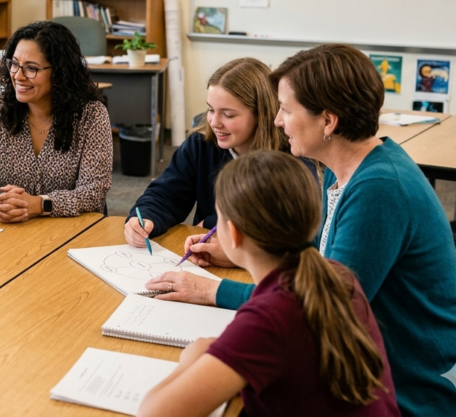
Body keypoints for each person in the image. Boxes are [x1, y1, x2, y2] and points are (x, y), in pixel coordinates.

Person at [149, 44, 456, 416]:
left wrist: (213, 291)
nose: (277, 121)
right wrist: (246, 252)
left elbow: (323, 304)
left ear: (327, 122)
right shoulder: (341, 168)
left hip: (428, 387)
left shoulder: (379, 189)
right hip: (381, 366)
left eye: (285, 109)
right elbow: (319, 255)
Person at [138, 151, 400, 417]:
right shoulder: (336, 275)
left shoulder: (270, 319)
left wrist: (192, 359)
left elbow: (154, 413)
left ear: (234, 234)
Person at [124, 57, 310, 244]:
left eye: (228, 114)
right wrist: (145, 217)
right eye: (211, 110)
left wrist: (213, 223)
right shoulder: (200, 144)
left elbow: (281, 223)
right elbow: (166, 194)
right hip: (206, 254)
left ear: (261, 114)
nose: (214, 123)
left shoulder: (293, 153)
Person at [0, 21, 112, 222]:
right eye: (14, 64)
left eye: (31, 68)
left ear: (60, 72)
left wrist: (40, 205)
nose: (18, 76)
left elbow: (94, 191)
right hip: (9, 227)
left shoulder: (91, 115)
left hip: (70, 229)